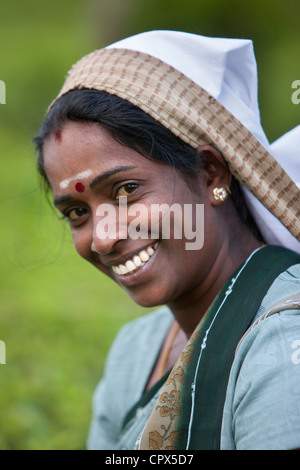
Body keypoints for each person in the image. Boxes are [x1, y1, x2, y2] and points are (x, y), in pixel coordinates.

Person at [34, 31, 300, 450]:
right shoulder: (136, 350)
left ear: (212, 173)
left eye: (126, 190)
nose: (103, 239)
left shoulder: (285, 343)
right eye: (78, 213)